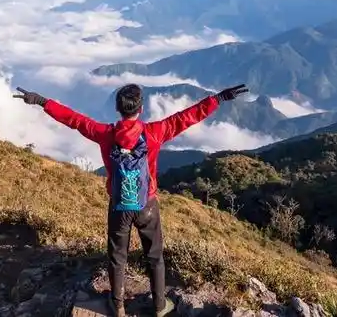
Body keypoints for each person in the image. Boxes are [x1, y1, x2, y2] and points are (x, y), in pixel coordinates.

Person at [13, 83, 249, 317]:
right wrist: (218, 98)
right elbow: (187, 117)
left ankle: (117, 305)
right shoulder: (155, 132)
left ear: (118, 109)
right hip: (147, 204)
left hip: (118, 205)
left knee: (117, 257)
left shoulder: (105, 134)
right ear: (141, 108)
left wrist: (42, 101)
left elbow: (75, 120)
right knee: (154, 256)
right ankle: (159, 306)